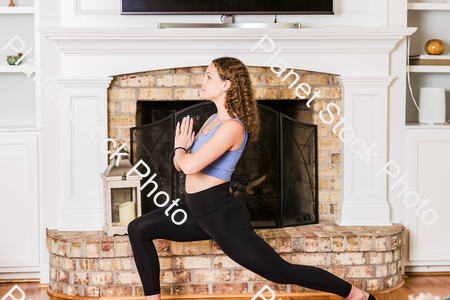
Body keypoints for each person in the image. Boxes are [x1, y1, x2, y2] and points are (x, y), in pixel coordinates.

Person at [127, 57, 376, 300]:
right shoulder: (212, 120)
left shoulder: (232, 127)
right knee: (138, 228)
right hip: (196, 209)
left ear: (226, 85)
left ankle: (356, 295)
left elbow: (188, 164)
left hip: (220, 215)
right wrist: (181, 153)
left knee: (279, 271)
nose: (201, 80)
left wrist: (179, 149)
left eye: (208, 76)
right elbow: (182, 166)